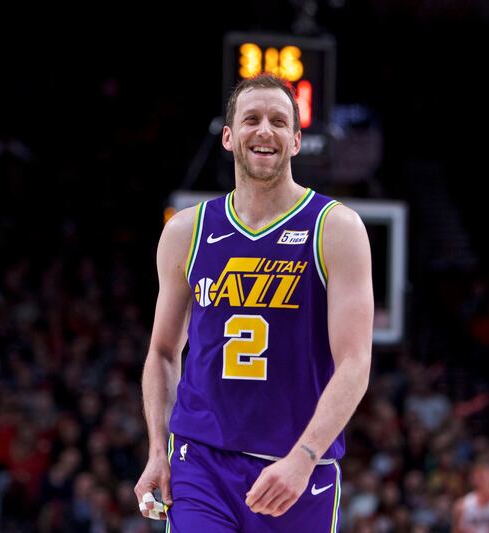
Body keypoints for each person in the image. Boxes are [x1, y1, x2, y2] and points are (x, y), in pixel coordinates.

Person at [133, 74, 374, 532]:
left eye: (279, 121)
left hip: (298, 468)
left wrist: (304, 457)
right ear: (228, 137)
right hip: (201, 463)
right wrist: (158, 451)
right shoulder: (186, 231)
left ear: (296, 141)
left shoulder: (336, 229)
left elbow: (355, 363)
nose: (265, 130)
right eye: (252, 120)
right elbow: (163, 352)